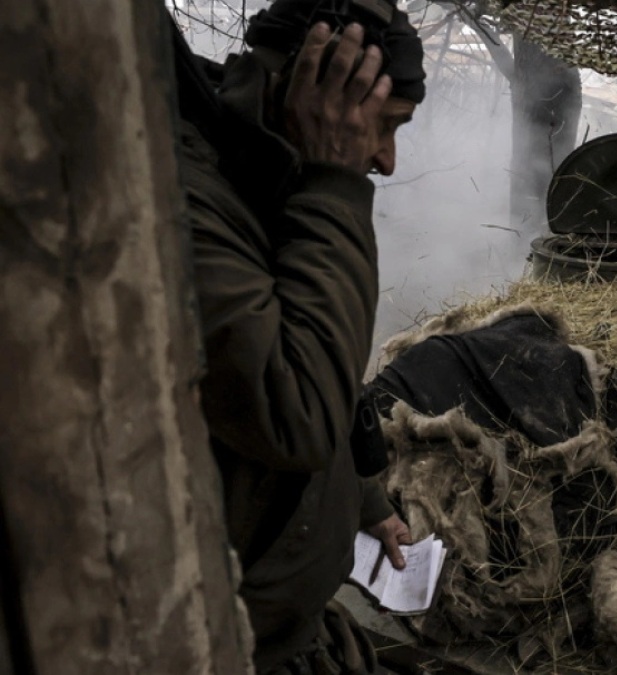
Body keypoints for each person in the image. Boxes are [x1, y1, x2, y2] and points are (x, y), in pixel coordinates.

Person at [172, 1, 425, 671]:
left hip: (295, 632)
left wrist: (364, 500)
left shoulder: (264, 169)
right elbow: (297, 412)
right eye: (385, 126)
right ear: (309, 87)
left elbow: (311, 346)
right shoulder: (187, 199)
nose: (387, 159)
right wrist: (335, 180)